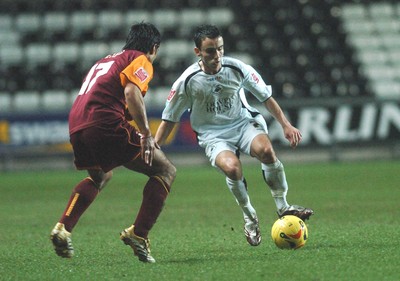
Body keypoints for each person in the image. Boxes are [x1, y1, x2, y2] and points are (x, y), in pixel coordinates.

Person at [155, 24, 313, 246]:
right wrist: (155, 147)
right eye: (210, 50)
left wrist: (286, 125)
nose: (217, 55)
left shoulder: (237, 68)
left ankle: (282, 206)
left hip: (243, 124)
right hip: (213, 135)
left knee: (266, 150)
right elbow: (169, 118)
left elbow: (266, 97)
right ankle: (249, 217)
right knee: (232, 168)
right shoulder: (187, 81)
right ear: (197, 52)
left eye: (220, 48)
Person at [50, 22, 176, 263]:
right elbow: (131, 93)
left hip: (77, 123)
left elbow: (112, 96)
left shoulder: (105, 61)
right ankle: (139, 234)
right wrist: (147, 135)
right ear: (154, 47)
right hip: (103, 122)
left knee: (100, 177)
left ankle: (63, 228)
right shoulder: (140, 59)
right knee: (166, 170)